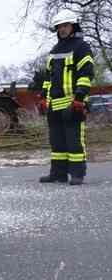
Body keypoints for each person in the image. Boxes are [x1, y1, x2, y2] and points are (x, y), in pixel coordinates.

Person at [39, 9, 94, 186]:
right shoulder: (54, 50)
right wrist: (42, 97)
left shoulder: (82, 47)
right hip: (54, 104)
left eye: (65, 25)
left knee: (74, 140)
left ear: (73, 26)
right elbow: (48, 78)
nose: (62, 29)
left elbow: (86, 74)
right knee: (57, 142)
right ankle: (58, 173)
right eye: (59, 26)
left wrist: (79, 97)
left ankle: (77, 174)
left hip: (73, 102)